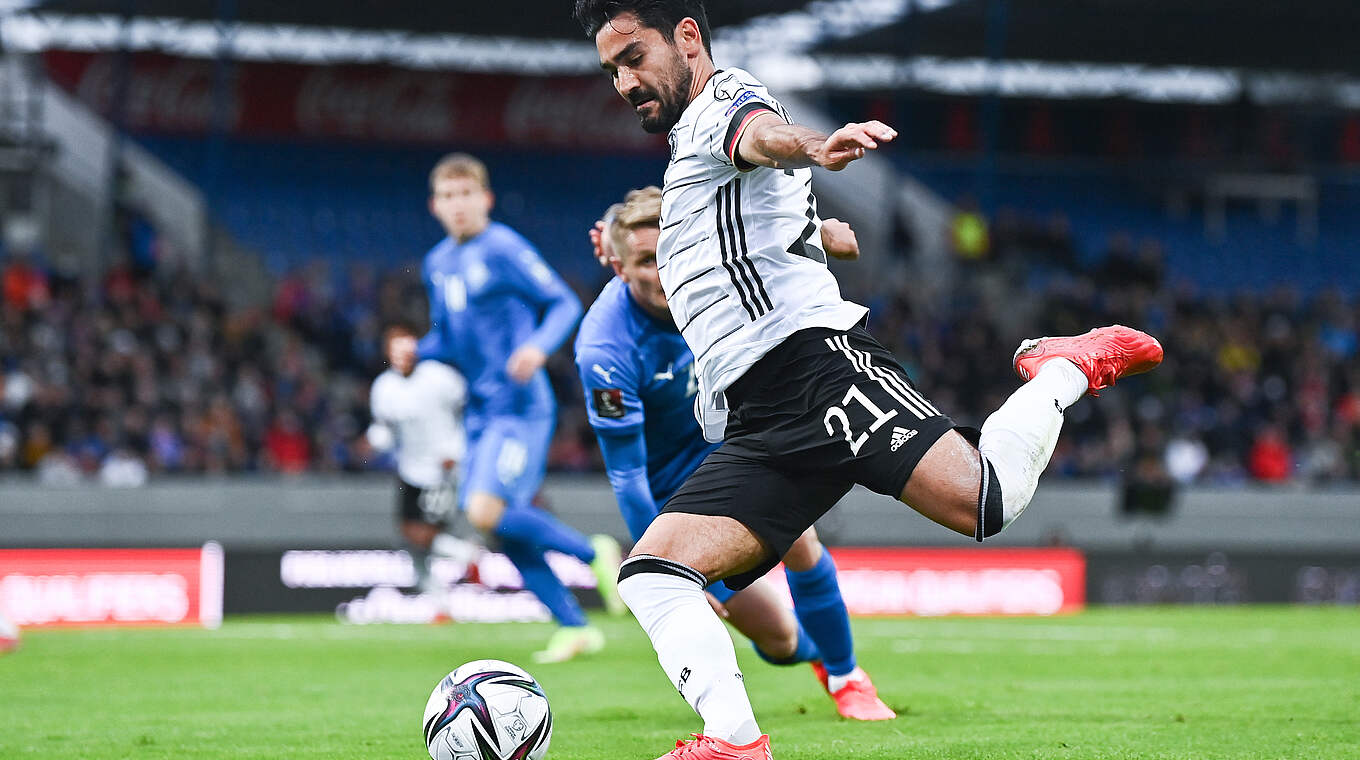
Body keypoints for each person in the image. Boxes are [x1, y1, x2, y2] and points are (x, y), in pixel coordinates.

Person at [573, 2, 1165, 757]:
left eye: (633, 57)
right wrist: (815, 233)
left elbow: (758, 133)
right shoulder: (690, 153)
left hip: (818, 372)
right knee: (653, 573)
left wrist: (813, 146)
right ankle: (734, 743)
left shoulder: (723, 101)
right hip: (760, 415)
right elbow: (741, 227)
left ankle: (1061, 368)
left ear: (687, 37)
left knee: (986, 502)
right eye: (611, 70)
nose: (624, 82)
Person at [576, 187, 891, 720]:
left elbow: (756, 232)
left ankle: (847, 678)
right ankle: (815, 656)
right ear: (620, 268)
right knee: (781, 640)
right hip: (677, 494)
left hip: (742, 447)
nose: (661, 271)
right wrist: (661, 567)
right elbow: (628, 476)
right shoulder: (606, 349)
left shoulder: (713, 278)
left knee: (800, 540)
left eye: (666, 254)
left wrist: (817, 235)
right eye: (645, 261)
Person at [417, 153, 625, 664]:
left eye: (467, 194)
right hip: (480, 413)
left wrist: (537, 346)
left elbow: (563, 303)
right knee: (497, 523)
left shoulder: (503, 247)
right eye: (448, 196)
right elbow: (446, 339)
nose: (458, 205)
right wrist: (413, 352)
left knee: (484, 510)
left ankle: (593, 552)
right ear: (434, 206)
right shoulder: (437, 264)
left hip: (520, 408)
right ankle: (574, 627)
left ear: (485, 199)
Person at [366, 323, 481, 599]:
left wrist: (456, 448)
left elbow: (469, 410)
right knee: (409, 538)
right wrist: (376, 440)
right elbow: (384, 427)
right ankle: (440, 601)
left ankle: (469, 556)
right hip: (409, 470)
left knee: (423, 535)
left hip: (441, 469)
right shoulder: (384, 387)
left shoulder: (440, 378)